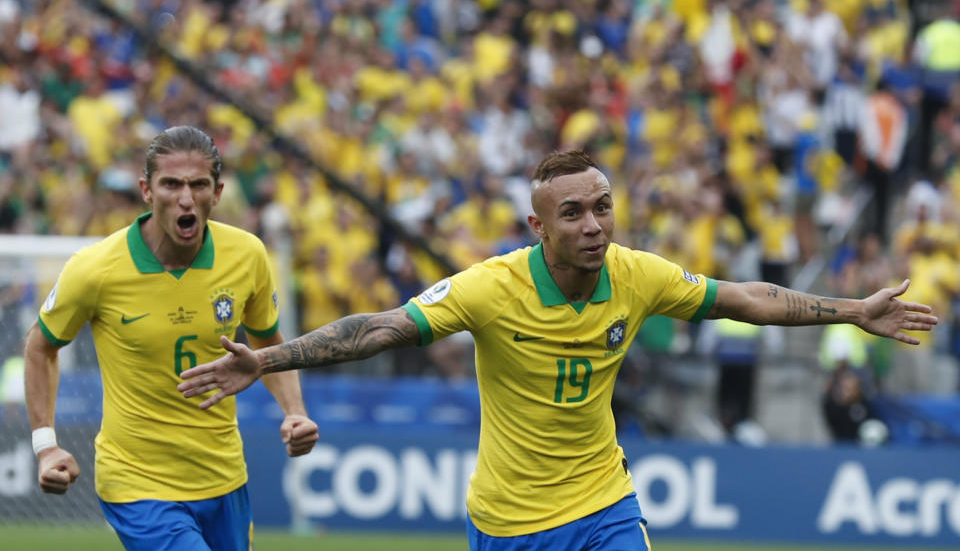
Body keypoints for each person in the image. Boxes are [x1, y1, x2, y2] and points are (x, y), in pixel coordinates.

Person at [179, 150, 937, 551]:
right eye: (571, 212)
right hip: (508, 520)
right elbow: (378, 329)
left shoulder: (637, 275)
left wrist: (850, 311)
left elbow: (748, 298)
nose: (593, 224)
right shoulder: (489, 287)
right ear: (537, 227)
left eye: (602, 207)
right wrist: (267, 360)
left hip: (604, 502)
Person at [24, 126, 319, 551]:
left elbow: (267, 342)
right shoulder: (96, 269)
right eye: (171, 184)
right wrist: (45, 446)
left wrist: (295, 411)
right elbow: (40, 345)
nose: (186, 198)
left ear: (217, 193)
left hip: (224, 479)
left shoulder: (248, 255)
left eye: (199, 185)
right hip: (138, 484)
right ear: (146, 190)